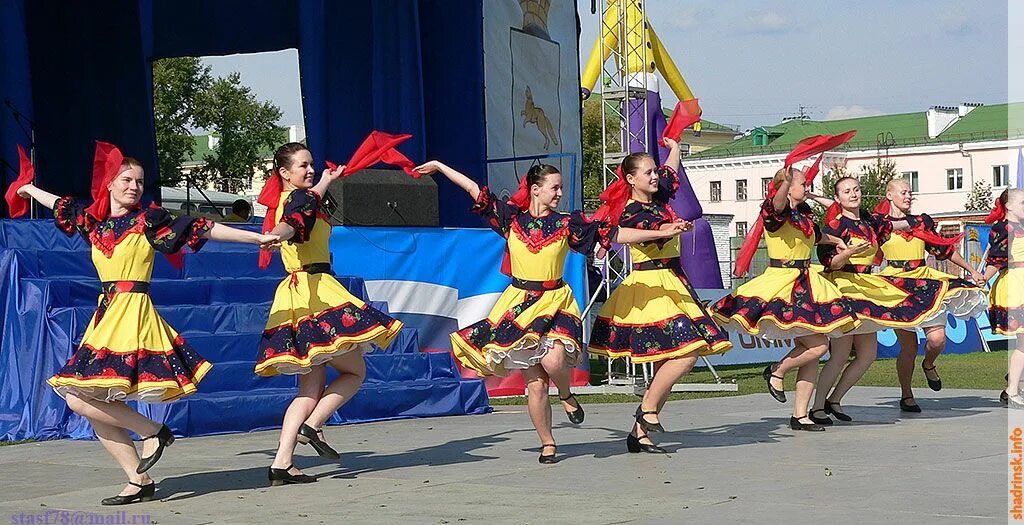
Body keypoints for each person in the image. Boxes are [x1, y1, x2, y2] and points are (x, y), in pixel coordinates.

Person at [13, 143, 276, 504]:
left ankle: (153, 432)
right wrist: (27, 189)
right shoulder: (95, 224)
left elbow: (202, 228)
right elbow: (60, 204)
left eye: (138, 181)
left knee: (77, 397)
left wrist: (256, 236)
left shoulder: (148, 220)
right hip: (106, 316)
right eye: (126, 179)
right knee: (88, 404)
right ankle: (138, 477)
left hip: (134, 315)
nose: (134, 186)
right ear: (109, 183)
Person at [413, 160, 612, 463]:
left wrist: (648, 233)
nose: (559, 193)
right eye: (554, 187)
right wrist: (440, 167)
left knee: (554, 357)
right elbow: (473, 190)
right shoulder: (511, 219)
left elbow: (608, 234)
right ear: (536, 190)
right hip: (520, 305)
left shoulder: (566, 223)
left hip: (555, 300)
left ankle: (567, 394)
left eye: (560, 187)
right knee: (534, 383)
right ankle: (547, 442)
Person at [255, 142, 404, 486]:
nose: (309, 170)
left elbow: (301, 210)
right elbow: (293, 221)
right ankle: (314, 424)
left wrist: (327, 179)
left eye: (311, 164)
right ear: (284, 173)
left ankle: (282, 462)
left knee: (308, 390)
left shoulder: (293, 199)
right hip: (317, 290)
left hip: (295, 295)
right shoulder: (298, 200)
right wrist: (275, 235)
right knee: (355, 371)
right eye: (303, 166)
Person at [588, 138, 731, 453]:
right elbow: (617, 235)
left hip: (674, 282)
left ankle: (640, 431)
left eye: (654, 171)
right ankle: (647, 410)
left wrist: (676, 148)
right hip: (649, 286)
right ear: (630, 179)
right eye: (648, 173)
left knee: (672, 358)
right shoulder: (628, 208)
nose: (655, 177)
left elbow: (670, 170)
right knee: (688, 353)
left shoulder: (659, 196)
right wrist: (664, 231)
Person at [712, 167, 859, 431]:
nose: (806, 187)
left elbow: (815, 236)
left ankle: (800, 415)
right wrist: (784, 184)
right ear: (787, 186)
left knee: (814, 350)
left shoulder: (804, 214)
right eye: (802, 183)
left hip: (806, 282)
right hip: (783, 281)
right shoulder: (775, 212)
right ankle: (777, 371)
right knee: (818, 346)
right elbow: (777, 204)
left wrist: (838, 240)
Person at [810, 177, 947, 424]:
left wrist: (922, 222)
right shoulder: (835, 226)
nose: (853, 194)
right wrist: (850, 252)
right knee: (840, 355)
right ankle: (817, 407)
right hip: (842, 288)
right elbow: (830, 263)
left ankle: (835, 399)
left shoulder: (871, 223)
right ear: (838, 198)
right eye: (846, 191)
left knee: (868, 354)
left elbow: (901, 224)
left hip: (865, 290)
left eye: (856, 189)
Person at [871, 179, 987, 412]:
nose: (908, 196)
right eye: (903, 192)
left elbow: (943, 249)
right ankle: (906, 394)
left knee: (937, 339)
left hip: (924, 282)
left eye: (910, 192)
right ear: (889, 194)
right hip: (895, 286)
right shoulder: (880, 224)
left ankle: (929, 364)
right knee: (909, 346)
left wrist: (972, 270)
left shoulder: (921, 222)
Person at [982, 189, 1024, 406]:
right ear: (1008, 205)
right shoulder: (1003, 228)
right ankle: (1013, 390)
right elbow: (996, 259)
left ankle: (1015, 379)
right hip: (1015, 285)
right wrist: (982, 279)